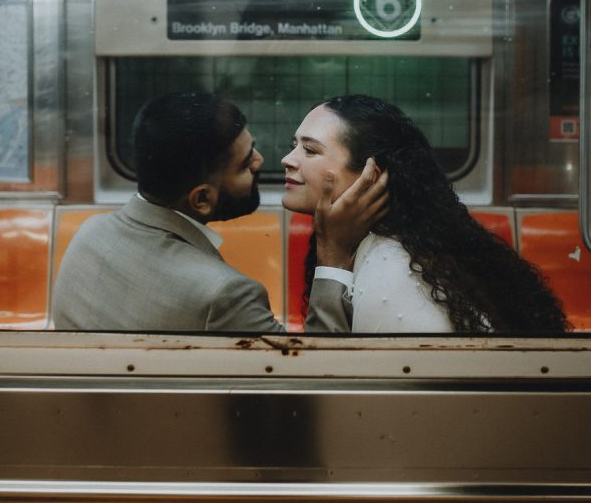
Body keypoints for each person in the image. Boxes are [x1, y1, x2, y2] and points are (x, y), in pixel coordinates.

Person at [52, 91, 388, 332]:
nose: (262, 162)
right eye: (244, 165)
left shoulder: (89, 234)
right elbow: (314, 379)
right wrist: (332, 256)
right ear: (201, 200)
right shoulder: (224, 295)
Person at [281, 94, 569, 334]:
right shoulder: (390, 247)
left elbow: (330, 382)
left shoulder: (391, 267)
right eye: (293, 146)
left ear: (370, 177)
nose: (287, 160)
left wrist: (331, 257)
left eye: (309, 150)